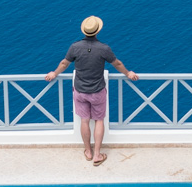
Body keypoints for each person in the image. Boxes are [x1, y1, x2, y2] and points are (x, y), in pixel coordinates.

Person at [44, 15, 138, 165]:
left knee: (84, 121)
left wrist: (54, 73)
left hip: (80, 91)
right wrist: (128, 73)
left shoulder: (75, 47)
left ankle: (88, 151)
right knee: (99, 120)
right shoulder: (104, 48)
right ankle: (97, 155)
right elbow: (117, 63)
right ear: (97, 31)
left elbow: (64, 63)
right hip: (97, 91)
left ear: (84, 31)